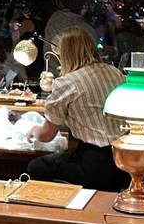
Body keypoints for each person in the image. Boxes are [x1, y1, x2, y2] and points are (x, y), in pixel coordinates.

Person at [27, 27, 127, 191]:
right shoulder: (115, 73)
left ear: (65, 54)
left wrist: (32, 130)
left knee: (36, 167)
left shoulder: (67, 82)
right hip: (124, 160)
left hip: (95, 165)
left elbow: (46, 136)